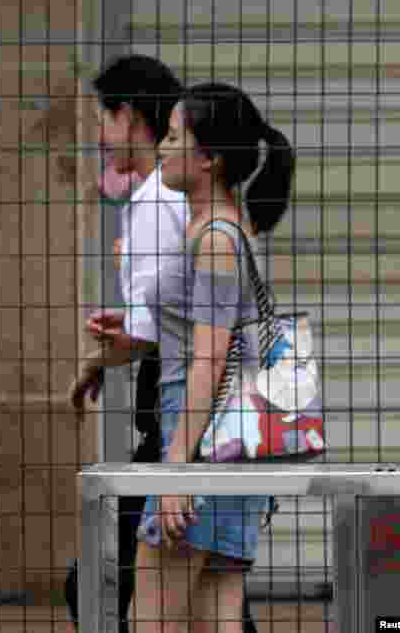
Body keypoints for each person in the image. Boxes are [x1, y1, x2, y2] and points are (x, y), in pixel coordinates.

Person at [96, 82, 292, 632]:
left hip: (201, 447)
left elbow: (209, 359)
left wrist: (175, 472)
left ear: (208, 159)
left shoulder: (215, 238)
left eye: (176, 137)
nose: (162, 147)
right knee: (216, 618)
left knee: (151, 620)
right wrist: (137, 329)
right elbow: (205, 335)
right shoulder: (222, 230)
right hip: (230, 449)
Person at [67, 55, 189, 633]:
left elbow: (160, 326)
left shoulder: (157, 201)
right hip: (181, 417)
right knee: (204, 590)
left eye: (103, 118)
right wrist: (129, 329)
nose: (98, 134)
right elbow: (172, 311)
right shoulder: (172, 196)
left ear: (132, 117)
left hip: (182, 420)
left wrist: (100, 356)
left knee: (110, 582)